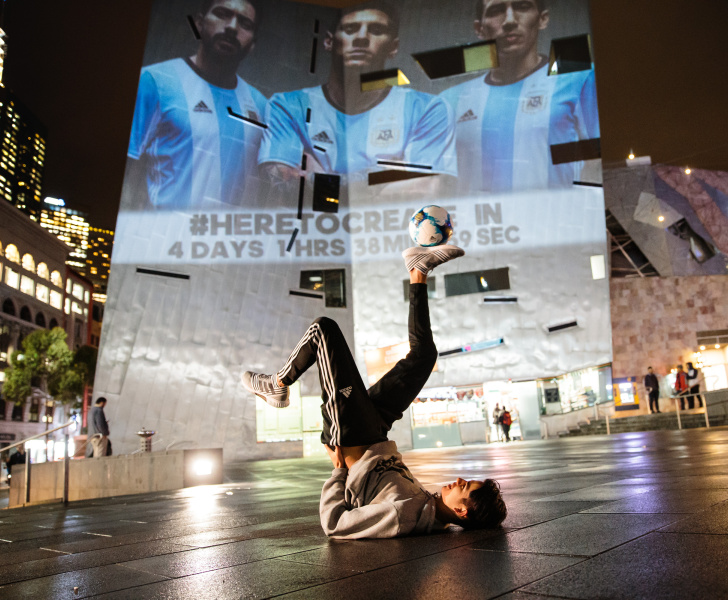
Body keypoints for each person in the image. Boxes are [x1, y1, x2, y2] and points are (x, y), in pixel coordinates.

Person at [241, 243, 506, 538]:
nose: (459, 479)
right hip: (376, 431)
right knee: (424, 356)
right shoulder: (430, 509)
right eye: (467, 481)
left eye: (466, 487)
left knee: (323, 331)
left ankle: (277, 386)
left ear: (462, 511)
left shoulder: (402, 515)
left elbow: (335, 525)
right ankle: (418, 269)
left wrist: (339, 471)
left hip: (351, 436)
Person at [259, 1, 456, 197]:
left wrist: (314, 180)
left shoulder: (427, 109)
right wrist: (386, 176)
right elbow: (281, 188)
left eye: (377, 30)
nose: (362, 37)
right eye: (350, 28)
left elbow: (425, 191)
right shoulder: (287, 106)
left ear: (393, 47)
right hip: (310, 229)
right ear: (328, 41)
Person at [442, 0, 600, 194]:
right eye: (497, 10)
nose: (509, 20)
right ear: (479, 28)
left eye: (522, 7)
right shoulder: (450, 101)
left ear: (543, 19)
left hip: (555, 222)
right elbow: (439, 184)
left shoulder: (578, 79)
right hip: (480, 223)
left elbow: (598, 164)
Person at [127, 0, 267, 209]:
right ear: (199, 23)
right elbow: (126, 173)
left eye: (245, 24)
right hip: (162, 238)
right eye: (222, 14)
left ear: (253, 44)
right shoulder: (154, 81)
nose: (232, 27)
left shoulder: (261, 106)